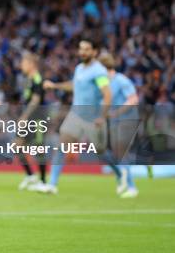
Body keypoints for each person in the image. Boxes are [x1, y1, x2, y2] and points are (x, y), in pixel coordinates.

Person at [41, 38, 123, 194]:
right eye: (81, 49)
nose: (82, 52)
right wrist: (55, 85)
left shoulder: (98, 71)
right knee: (61, 146)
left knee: (102, 153)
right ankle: (52, 184)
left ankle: (120, 174)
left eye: (86, 49)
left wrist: (102, 116)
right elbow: (74, 85)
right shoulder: (79, 68)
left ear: (94, 52)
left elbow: (107, 94)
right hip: (76, 115)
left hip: (93, 118)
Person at [98, 52, 140, 198]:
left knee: (121, 152)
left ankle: (131, 187)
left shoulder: (121, 80)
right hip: (114, 121)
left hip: (128, 119)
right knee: (107, 152)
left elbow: (133, 99)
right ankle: (122, 177)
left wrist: (117, 112)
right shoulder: (103, 84)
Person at [16, 52, 48, 191]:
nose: (21, 66)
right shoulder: (28, 79)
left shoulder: (37, 78)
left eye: (23, 63)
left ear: (31, 64)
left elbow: (35, 100)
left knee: (39, 148)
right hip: (29, 118)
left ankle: (42, 181)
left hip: (37, 118)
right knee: (17, 146)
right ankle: (30, 176)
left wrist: (24, 116)